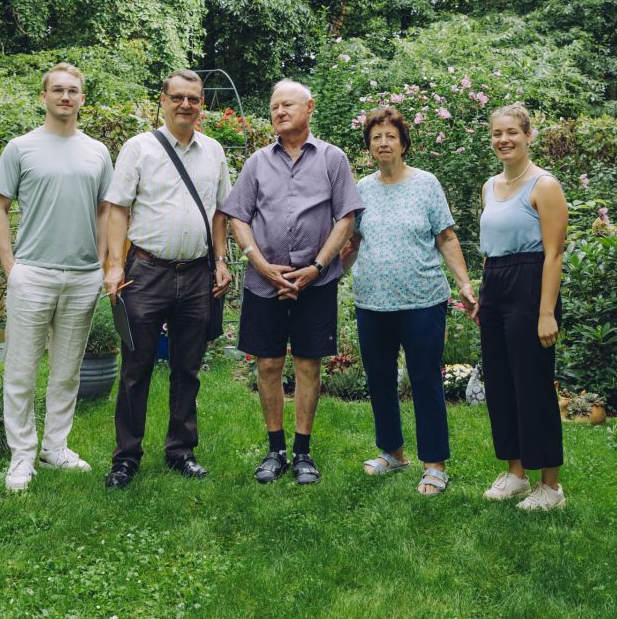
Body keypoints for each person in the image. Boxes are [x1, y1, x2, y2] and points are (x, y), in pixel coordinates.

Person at [222, 79, 364, 485]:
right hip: (264, 281)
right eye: (274, 107)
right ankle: (275, 450)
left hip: (314, 282)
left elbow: (346, 218)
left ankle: (302, 452)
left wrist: (316, 267)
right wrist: (262, 265)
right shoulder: (257, 162)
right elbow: (237, 216)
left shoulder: (333, 159)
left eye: (287, 105)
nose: (280, 112)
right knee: (268, 363)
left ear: (309, 107)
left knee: (307, 364)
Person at [101, 70, 232, 488]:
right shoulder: (138, 148)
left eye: (193, 98)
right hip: (146, 272)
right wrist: (114, 266)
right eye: (177, 97)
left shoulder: (214, 152)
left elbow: (220, 212)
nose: (185, 105)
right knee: (135, 368)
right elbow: (117, 209)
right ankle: (126, 457)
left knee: (187, 369)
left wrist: (221, 260)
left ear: (202, 105)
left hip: (196, 275)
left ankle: (181, 451)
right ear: (163, 100)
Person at [0, 62, 114, 492]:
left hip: (82, 277)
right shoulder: (20, 148)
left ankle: (55, 447)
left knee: (67, 372)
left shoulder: (97, 152)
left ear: (82, 99)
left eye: (72, 90)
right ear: (43, 96)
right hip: (33, 273)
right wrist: (11, 268)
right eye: (57, 89)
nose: (65, 96)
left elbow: (105, 209)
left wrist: (101, 263)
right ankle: (22, 456)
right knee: (20, 372)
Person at [341, 107, 478, 495]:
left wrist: (464, 284)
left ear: (403, 144)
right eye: (376, 137)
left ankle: (434, 464)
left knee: (425, 380)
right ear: (369, 146)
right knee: (380, 379)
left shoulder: (426, 184)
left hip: (422, 301)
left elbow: (446, 237)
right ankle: (393, 452)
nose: (383, 143)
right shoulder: (362, 189)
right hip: (372, 302)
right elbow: (354, 241)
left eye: (391, 136)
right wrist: (329, 273)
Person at [477, 103, 569, 510]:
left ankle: (551, 486)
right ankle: (516, 474)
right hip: (495, 284)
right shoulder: (489, 186)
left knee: (532, 385)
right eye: (497, 133)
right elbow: (491, 248)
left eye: (512, 132)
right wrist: (484, 296)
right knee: (500, 384)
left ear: (528, 135)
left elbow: (554, 254)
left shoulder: (543, 185)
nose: (504, 140)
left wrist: (546, 312)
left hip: (531, 284)